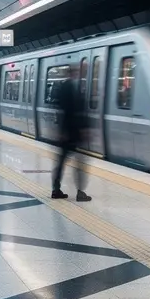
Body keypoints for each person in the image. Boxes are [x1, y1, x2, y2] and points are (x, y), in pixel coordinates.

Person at [51, 64, 92, 202]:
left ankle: (56, 189)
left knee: (63, 162)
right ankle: (79, 192)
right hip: (70, 133)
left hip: (70, 133)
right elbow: (68, 111)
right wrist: (66, 132)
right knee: (79, 164)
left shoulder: (69, 87)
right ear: (74, 73)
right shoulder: (69, 88)